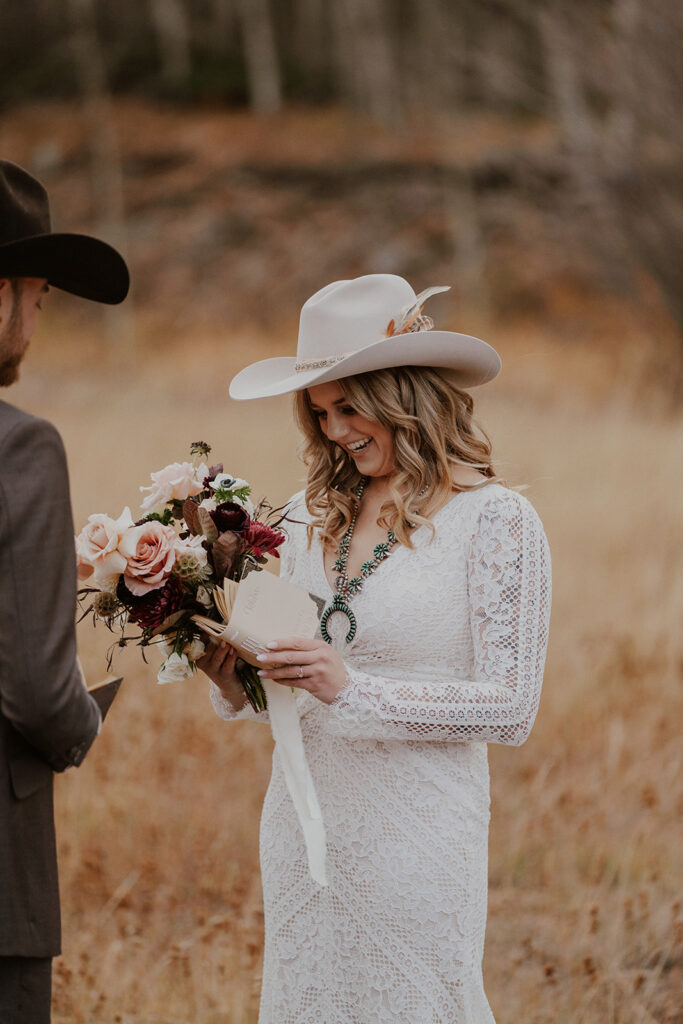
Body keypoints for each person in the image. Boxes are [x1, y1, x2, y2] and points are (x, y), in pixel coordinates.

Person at [199, 273, 552, 1023]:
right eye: (320, 413)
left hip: (418, 839)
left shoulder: (496, 522)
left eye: (349, 408)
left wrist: (350, 687)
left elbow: (510, 707)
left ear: (406, 395)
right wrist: (237, 682)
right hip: (301, 828)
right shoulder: (304, 517)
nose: (334, 432)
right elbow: (297, 694)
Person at [0, 159, 129, 1023]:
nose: (36, 323)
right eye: (40, 297)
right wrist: (84, 720)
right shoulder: (21, 449)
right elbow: (41, 692)